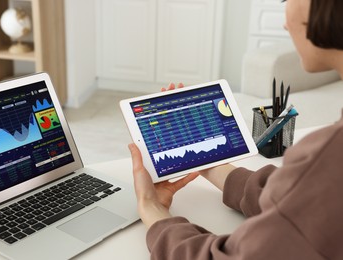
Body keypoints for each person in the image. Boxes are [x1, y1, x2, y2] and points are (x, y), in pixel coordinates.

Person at [128, 0, 343, 259]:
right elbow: (306, 199)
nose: (285, 23)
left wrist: (151, 208)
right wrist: (209, 162)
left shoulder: (329, 151)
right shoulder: (324, 168)